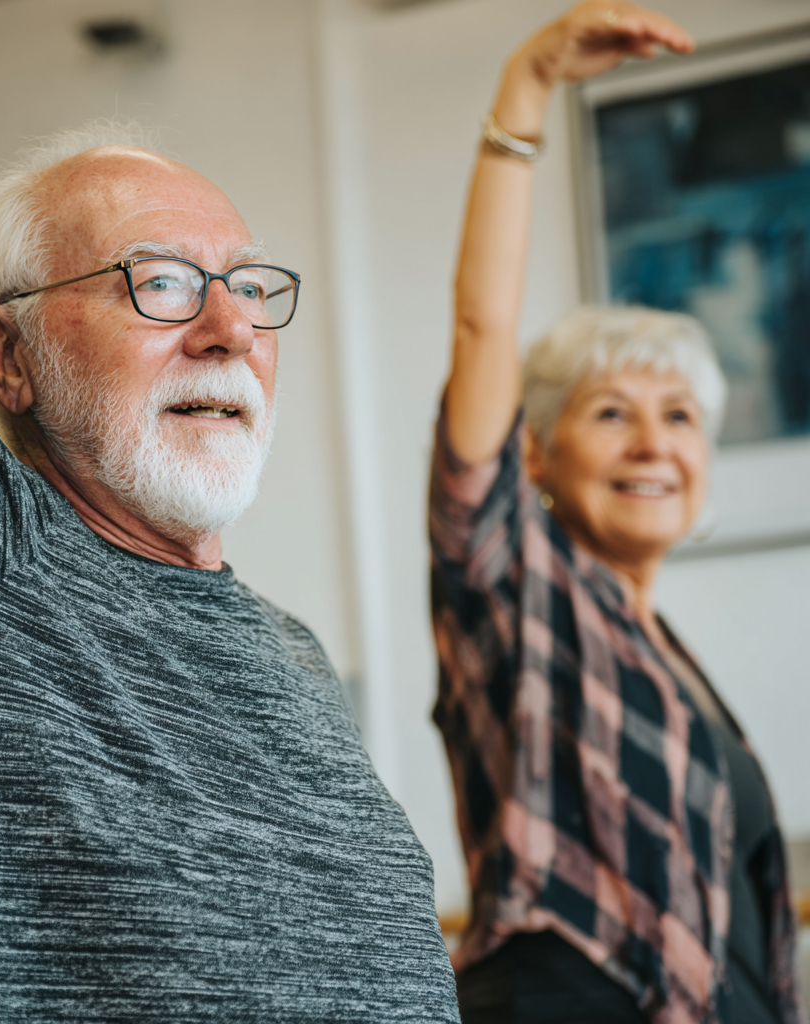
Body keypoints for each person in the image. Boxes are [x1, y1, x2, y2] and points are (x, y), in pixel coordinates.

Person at [0, 2, 460, 1022]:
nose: (230, 328)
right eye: (159, 284)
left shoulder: (296, 654)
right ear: (6, 356)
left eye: (247, 287)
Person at [430, 3, 805, 1023]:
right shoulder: (508, 589)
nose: (653, 441)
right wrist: (529, 84)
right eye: (611, 412)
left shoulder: (675, 660)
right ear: (535, 455)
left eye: (680, 415)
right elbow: (482, 323)